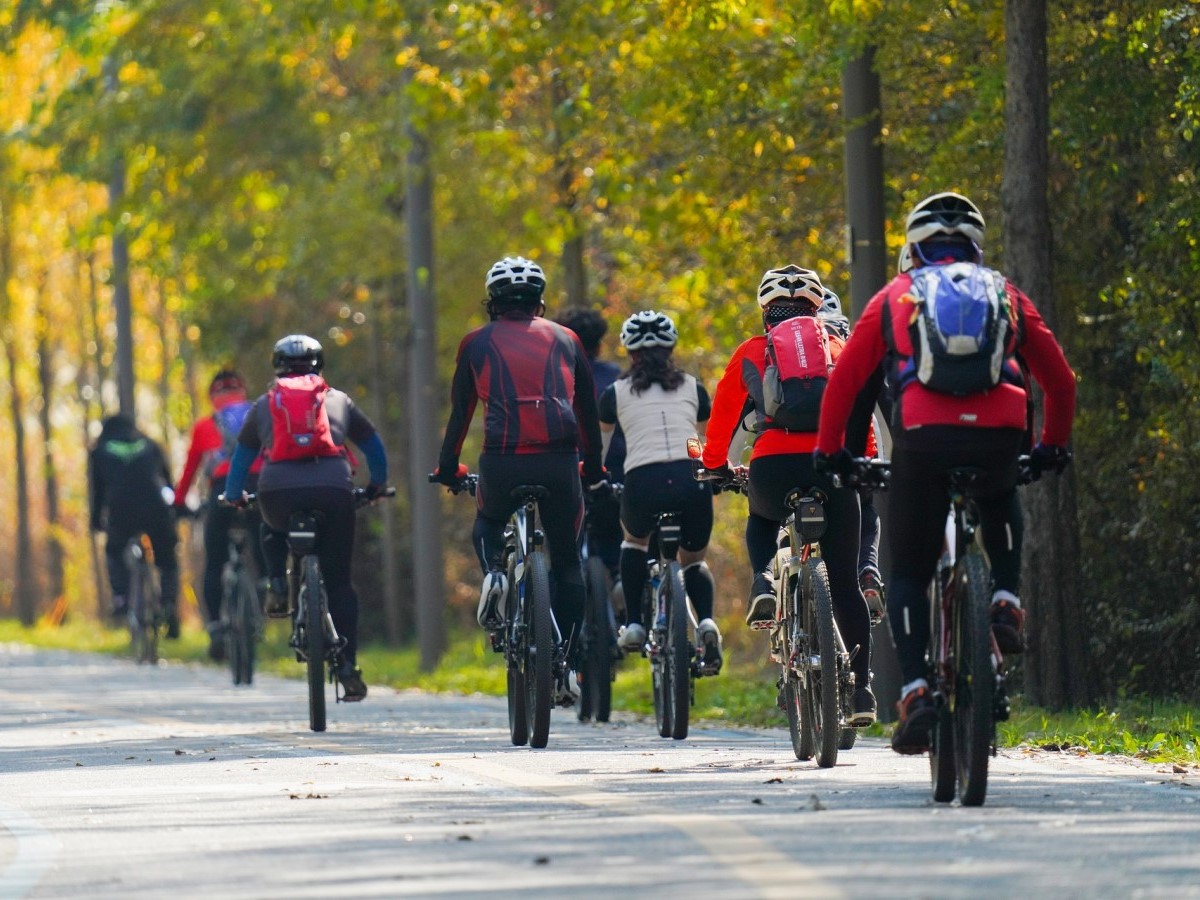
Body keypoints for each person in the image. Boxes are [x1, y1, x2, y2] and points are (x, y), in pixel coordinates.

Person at [814, 191, 1076, 754]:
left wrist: (832, 452)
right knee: (1001, 496)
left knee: (907, 569)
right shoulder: (1004, 293)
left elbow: (847, 383)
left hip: (924, 437)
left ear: (914, 245)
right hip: (999, 432)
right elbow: (1060, 380)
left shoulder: (897, 296)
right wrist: (1051, 445)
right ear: (975, 247)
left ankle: (914, 691)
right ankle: (1005, 598)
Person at [699, 266, 878, 724]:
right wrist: (864, 459)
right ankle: (861, 694)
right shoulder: (839, 346)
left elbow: (722, 419)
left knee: (761, 520)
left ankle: (763, 580)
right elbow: (863, 414)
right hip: (832, 465)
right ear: (818, 309)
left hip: (773, 464)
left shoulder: (752, 351)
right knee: (844, 583)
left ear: (765, 312)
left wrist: (715, 465)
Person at [432, 256, 606, 705]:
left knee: (488, 523)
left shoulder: (476, 343)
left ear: (492, 303)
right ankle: (564, 664)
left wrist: (448, 467)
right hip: (560, 462)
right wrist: (595, 465)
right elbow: (587, 411)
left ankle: (494, 575)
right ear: (540, 302)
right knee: (567, 562)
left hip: (502, 462)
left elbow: (461, 413)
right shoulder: (567, 339)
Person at [221, 335, 390, 702]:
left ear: (276, 367)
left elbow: (241, 458)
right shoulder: (338, 399)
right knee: (341, 583)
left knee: (271, 527)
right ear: (320, 364)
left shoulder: (265, 404)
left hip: (277, 490)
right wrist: (376, 485)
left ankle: (278, 585)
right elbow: (373, 446)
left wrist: (234, 496)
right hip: (333, 489)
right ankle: (347, 666)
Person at [598, 310, 721, 669]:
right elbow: (704, 442)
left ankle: (635, 623)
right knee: (694, 560)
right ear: (671, 348)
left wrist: (597, 480)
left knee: (633, 542)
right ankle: (708, 621)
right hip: (690, 480)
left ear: (629, 352)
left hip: (642, 482)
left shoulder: (614, 393)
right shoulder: (693, 387)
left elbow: (601, 456)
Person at [174, 370, 268, 660]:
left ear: (213, 397)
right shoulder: (263, 417)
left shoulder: (205, 426)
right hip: (259, 487)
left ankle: (215, 627)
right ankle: (266, 598)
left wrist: (179, 503)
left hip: (222, 491)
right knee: (265, 548)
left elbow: (190, 470)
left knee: (215, 561)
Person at [818, 289, 886, 624]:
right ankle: (868, 567)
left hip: (800, 457)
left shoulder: (783, 350)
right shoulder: (851, 347)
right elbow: (879, 413)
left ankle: (780, 587)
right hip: (855, 455)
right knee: (867, 510)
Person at [88, 414, 181, 636]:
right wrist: (175, 510)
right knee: (167, 559)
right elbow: (167, 481)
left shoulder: (100, 451)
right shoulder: (150, 444)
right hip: (155, 508)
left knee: (114, 551)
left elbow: (96, 491)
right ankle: (168, 605)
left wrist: (95, 521)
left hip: (121, 512)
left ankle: (121, 598)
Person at [555, 307, 625, 586]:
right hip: (615, 466)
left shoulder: (557, 376)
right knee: (614, 535)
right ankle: (620, 582)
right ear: (598, 343)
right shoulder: (616, 376)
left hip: (568, 466)